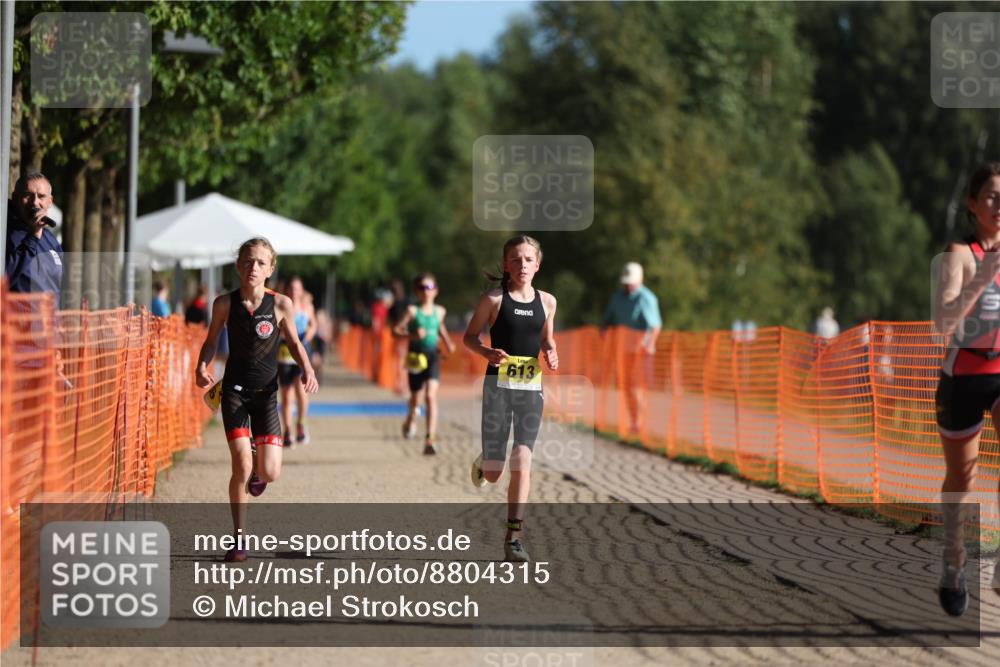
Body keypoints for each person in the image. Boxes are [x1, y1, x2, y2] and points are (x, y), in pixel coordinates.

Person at [195, 238, 318, 563]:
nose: (253, 268)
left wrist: (307, 368)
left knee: (271, 472)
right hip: (233, 393)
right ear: (238, 265)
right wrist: (200, 365)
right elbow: (210, 342)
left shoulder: (281, 305)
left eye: (261, 263)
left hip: (266, 395)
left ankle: (259, 471)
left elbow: (293, 340)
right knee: (241, 465)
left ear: (271, 269)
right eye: (248, 261)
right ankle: (238, 541)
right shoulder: (224, 303)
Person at [463, 235, 558, 563]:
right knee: (493, 473)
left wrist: (551, 351)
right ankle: (487, 458)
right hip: (498, 390)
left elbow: (546, 337)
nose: (522, 266)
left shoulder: (547, 302)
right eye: (516, 260)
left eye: (528, 260)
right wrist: (486, 351)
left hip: (531, 390)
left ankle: (513, 538)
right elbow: (469, 337)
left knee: (523, 458)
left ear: (538, 265)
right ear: (506, 264)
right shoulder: (493, 299)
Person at [933, 161, 1000, 616]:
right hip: (964, 379)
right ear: (974, 204)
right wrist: (983, 274)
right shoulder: (959, 254)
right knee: (962, 480)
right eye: (992, 196)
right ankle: (954, 565)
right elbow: (944, 322)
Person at [394, 273, 456, 454]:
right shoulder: (413, 311)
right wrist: (411, 335)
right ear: (416, 291)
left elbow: (440, 326)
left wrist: (448, 342)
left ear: (435, 291)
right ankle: (410, 419)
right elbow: (395, 331)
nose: (426, 291)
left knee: (430, 396)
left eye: (429, 287)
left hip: (433, 357)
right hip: (415, 357)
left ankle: (430, 439)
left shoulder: (440, 311)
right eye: (422, 287)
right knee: (415, 399)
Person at [600, 261, 662, 438]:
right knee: (627, 387)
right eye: (626, 282)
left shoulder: (647, 298)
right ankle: (634, 420)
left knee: (637, 387)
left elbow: (655, 326)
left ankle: (639, 422)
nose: (628, 285)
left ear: (639, 280)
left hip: (641, 351)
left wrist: (649, 344)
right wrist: (603, 328)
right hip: (623, 350)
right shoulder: (617, 297)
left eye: (631, 282)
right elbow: (608, 317)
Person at [5, 172, 62, 298]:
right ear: (15, 197)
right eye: (27, 195)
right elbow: (4, 278)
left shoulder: (51, 239)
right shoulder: (5, 232)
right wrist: (33, 237)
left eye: (41, 196)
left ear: (50, 201)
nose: (35, 202)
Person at [277, 276, 317, 447]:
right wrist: (284, 335)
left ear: (301, 290)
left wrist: (306, 338)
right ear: (287, 290)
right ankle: (287, 429)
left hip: (301, 351)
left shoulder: (307, 307)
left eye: (297, 288)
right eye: (291, 288)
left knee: (301, 390)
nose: (294, 291)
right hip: (285, 352)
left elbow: (313, 325)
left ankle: (301, 423)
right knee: (286, 395)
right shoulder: (282, 306)